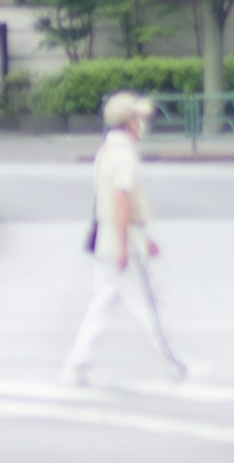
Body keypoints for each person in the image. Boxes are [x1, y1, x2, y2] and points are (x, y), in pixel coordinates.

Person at [65, 91, 188, 384]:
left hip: (106, 236)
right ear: (130, 122)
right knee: (145, 304)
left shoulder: (107, 151)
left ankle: (77, 362)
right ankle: (172, 361)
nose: (142, 124)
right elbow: (122, 200)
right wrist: (127, 244)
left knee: (104, 300)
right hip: (124, 240)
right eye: (138, 118)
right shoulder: (123, 157)